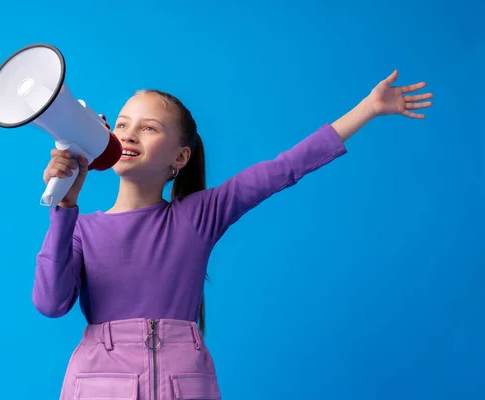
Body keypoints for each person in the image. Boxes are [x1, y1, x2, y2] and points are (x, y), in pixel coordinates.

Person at [32, 69, 433, 400]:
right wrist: (65, 208)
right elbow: (50, 304)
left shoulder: (199, 216)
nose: (130, 134)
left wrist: (368, 108)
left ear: (180, 157)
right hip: (99, 386)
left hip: (185, 385)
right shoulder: (81, 228)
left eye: (149, 127)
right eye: (122, 124)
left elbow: (284, 168)